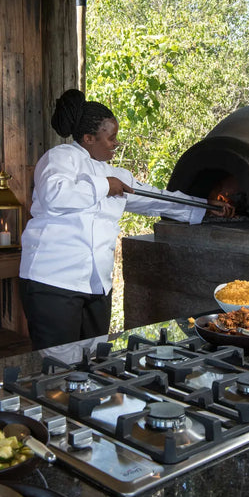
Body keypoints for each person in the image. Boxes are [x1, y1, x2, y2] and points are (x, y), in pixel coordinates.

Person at [19, 88, 235, 350]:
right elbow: (56, 195)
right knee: (57, 365)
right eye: (111, 138)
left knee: (93, 358)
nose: (116, 144)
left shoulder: (114, 173)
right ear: (88, 138)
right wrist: (104, 185)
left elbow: (155, 199)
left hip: (96, 284)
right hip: (53, 283)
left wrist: (204, 207)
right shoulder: (59, 158)